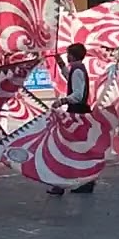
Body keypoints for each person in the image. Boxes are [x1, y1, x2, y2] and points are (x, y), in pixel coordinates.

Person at [48, 43, 96, 196]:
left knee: (66, 148)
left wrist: (61, 101)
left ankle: (61, 184)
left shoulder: (77, 70)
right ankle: (84, 182)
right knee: (75, 149)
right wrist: (60, 63)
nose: (66, 56)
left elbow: (78, 95)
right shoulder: (78, 69)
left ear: (72, 55)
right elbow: (69, 78)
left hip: (77, 112)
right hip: (80, 112)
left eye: (68, 54)